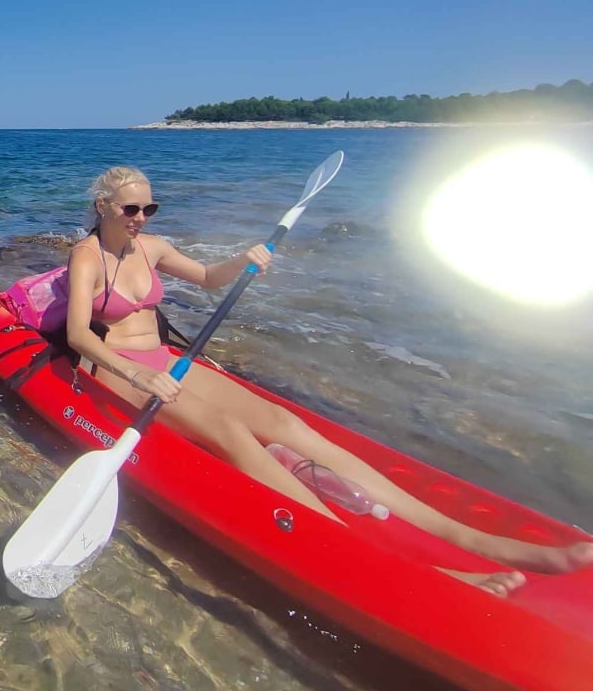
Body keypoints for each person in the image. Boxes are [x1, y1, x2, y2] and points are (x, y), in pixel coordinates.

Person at [65, 165, 593, 597]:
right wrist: (137, 374)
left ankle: (477, 540)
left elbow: (205, 277)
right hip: (116, 369)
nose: (140, 218)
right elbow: (79, 337)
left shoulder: (152, 247)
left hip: (163, 359)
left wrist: (242, 260)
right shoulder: (85, 256)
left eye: (149, 208)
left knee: (284, 423)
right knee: (230, 433)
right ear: (103, 208)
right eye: (130, 208)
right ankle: (396, 567)